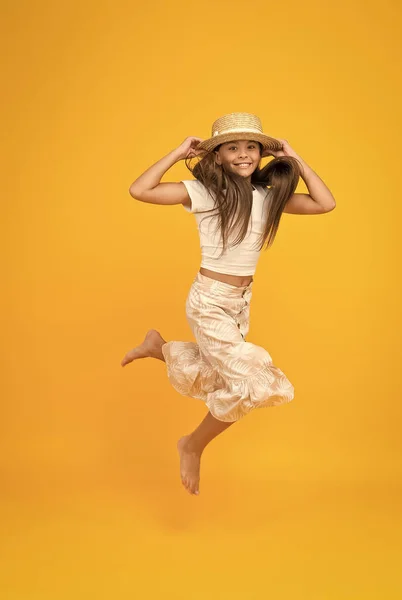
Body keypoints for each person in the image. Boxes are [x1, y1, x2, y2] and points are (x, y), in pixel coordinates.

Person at [121, 112, 336, 496]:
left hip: (239, 304)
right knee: (250, 381)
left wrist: (295, 157)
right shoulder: (205, 193)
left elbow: (325, 204)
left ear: (260, 153)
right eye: (232, 147)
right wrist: (177, 153)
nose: (243, 154)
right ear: (217, 156)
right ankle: (192, 445)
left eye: (251, 146)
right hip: (209, 302)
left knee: (223, 378)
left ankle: (160, 348)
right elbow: (141, 190)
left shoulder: (268, 198)